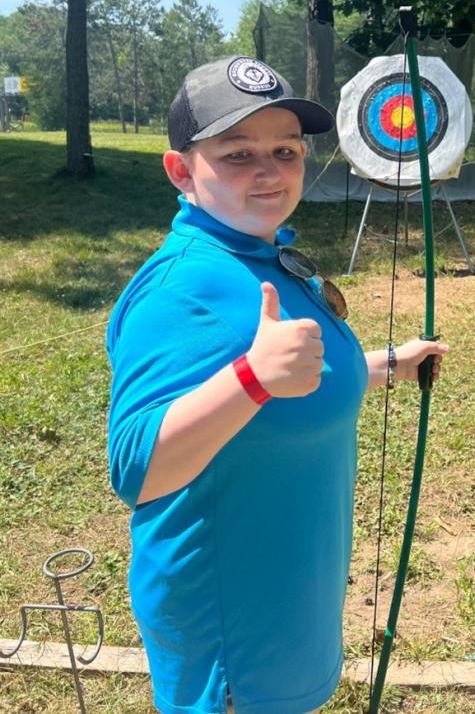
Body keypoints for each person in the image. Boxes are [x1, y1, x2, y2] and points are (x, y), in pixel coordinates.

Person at [106, 56, 448, 714]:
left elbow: (301, 383)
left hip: (290, 594)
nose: (268, 170)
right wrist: (250, 378)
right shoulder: (184, 286)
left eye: (285, 149)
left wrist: (387, 365)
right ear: (181, 171)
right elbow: (136, 468)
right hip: (234, 641)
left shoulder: (262, 254)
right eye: (237, 154)